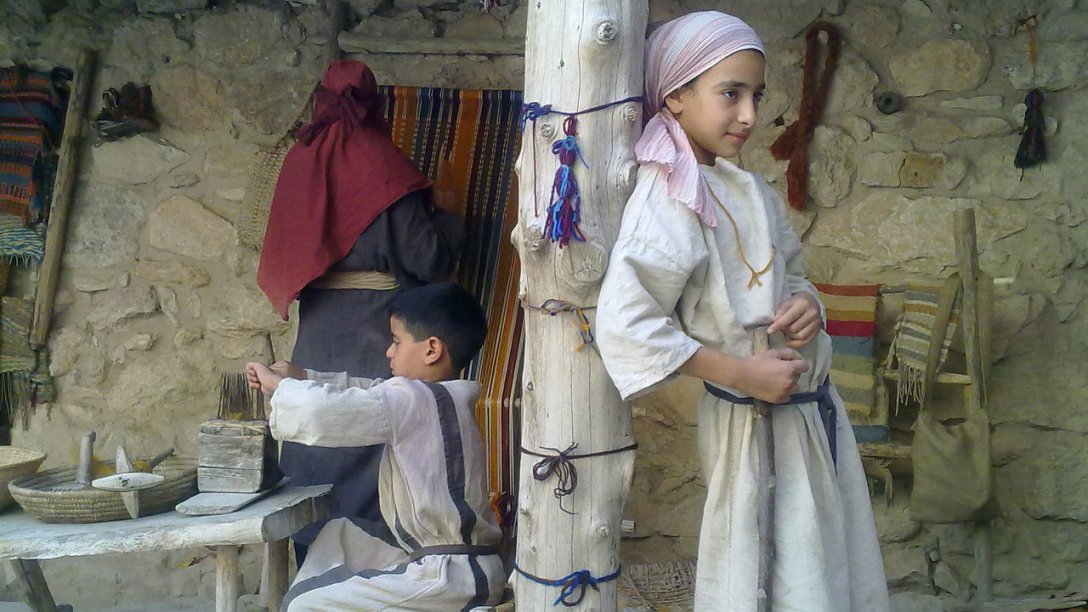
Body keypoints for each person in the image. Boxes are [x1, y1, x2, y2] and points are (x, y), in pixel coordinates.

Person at [595, 11, 890, 611]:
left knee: (820, 557)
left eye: (755, 94)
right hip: (752, 421)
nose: (750, 115)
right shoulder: (666, 198)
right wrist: (740, 374)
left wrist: (807, 305)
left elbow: (795, 273)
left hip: (807, 412)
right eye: (730, 94)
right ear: (675, 95)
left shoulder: (748, 188)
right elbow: (626, 324)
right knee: (769, 568)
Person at [257, 59, 465, 564]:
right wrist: (453, 218)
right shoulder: (382, 165)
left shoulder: (298, 163)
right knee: (371, 438)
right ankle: (372, 570)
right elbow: (428, 259)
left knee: (315, 429)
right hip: (377, 330)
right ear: (374, 105)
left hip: (318, 329)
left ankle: (313, 561)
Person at [246, 282, 503, 610]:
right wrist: (300, 376)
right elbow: (368, 392)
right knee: (338, 532)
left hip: (450, 578)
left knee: (304, 606)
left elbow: (329, 410)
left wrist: (279, 387)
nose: (389, 352)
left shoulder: (413, 400)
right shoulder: (438, 397)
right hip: (459, 565)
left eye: (396, 341)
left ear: (431, 350)